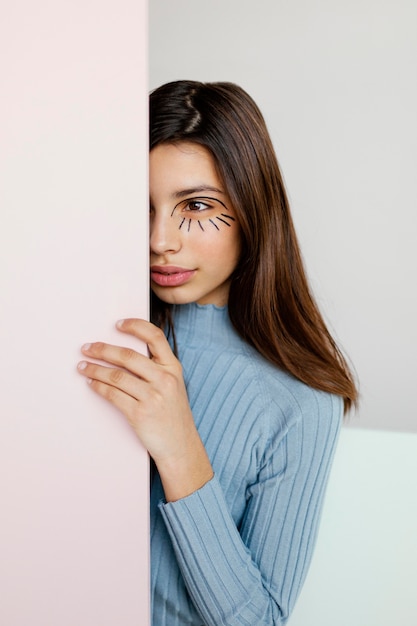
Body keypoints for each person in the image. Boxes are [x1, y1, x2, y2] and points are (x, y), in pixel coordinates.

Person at [77, 80, 358, 625]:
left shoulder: (300, 400)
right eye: (143, 207)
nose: (160, 239)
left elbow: (259, 621)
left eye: (196, 205)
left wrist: (181, 450)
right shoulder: (94, 331)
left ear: (253, 208)